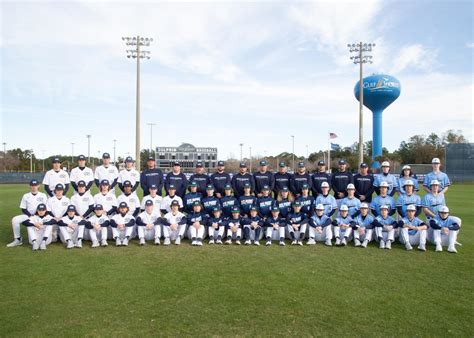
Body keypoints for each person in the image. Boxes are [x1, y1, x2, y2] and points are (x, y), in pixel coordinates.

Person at [7, 179, 47, 248]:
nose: (34, 187)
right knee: (15, 220)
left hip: (39, 215)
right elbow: (23, 208)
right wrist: (30, 216)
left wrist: (38, 215)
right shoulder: (26, 195)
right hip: (28, 215)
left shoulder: (43, 195)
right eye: (32, 185)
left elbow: (46, 208)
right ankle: (18, 239)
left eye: (35, 185)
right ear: (30, 186)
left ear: (38, 186)